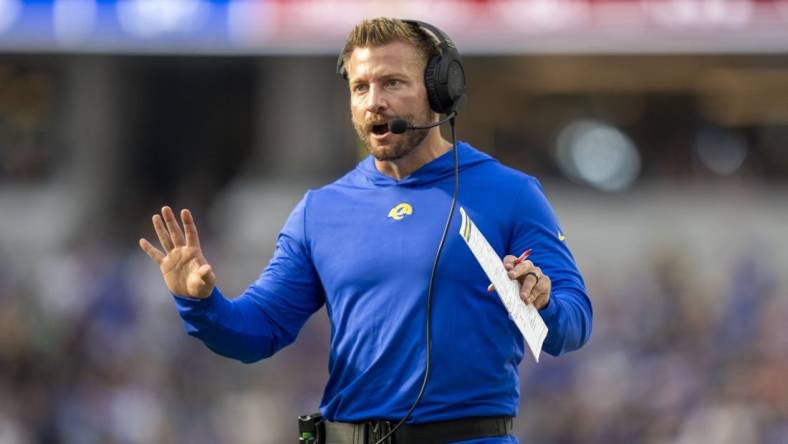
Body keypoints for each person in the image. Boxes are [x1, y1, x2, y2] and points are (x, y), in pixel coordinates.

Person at [139, 18, 592, 444]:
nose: (374, 100)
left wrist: (544, 301)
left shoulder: (511, 194)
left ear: (440, 90)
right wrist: (199, 303)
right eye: (361, 86)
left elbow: (573, 326)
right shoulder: (320, 210)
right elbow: (255, 333)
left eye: (392, 82)